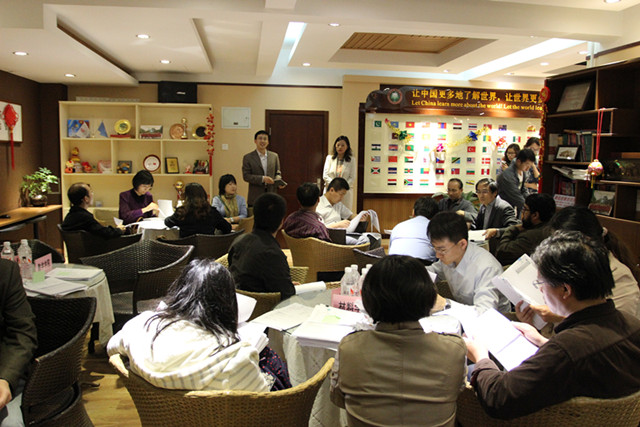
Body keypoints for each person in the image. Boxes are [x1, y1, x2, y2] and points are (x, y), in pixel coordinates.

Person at [465, 231, 640, 420]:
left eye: (541, 282)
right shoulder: (632, 324)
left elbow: (498, 397)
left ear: (565, 289)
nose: (541, 289)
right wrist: (542, 341)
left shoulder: (566, 350)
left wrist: (480, 356)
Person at [330, 255, 467, 426]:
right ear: (429, 299)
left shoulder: (349, 348)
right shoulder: (453, 349)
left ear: (367, 299)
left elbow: (338, 399)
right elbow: (458, 393)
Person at [107, 259, 277, 392]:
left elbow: (112, 349)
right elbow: (262, 399)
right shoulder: (236, 359)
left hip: (159, 417)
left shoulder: (142, 326)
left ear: (181, 292)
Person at [518, 206, 640, 323]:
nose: (555, 250)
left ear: (585, 244)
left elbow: (614, 329)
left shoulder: (620, 277)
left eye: (562, 245)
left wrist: (561, 316)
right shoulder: (570, 268)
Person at [427, 212, 509, 313]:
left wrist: (445, 304)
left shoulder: (486, 268)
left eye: (442, 250)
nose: (437, 255)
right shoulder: (451, 257)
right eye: (434, 248)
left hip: (496, 319)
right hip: (464, 315)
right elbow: (433, 271)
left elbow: (485, 312)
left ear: (462, 244)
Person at [229, 193, 297, 300]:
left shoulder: (239, 241)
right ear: (281, 222)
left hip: (238, 302)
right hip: (265, 306)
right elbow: (287, 296)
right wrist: (288, 286)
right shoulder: (273, 254)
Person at [0, 259, 37, 427]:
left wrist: (5, 378)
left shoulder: (5, 272)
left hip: (4, 370)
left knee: (10, 424)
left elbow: (22, 332)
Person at [495, 193, 555, 266]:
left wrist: (513, 229)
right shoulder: (551, 228)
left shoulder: (530, 236)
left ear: (535, 215)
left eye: (525, 209)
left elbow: (502, 252)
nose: (522, 213)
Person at [164, 182, 231, 238]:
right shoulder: (212, 212)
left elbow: (167, 222)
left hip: (186, 249)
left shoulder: (182, 212)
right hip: (208, 248)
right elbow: (227, 228)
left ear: (186, 197)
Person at [388, 196, 439, 264]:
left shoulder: (398, 226)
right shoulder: (436, 228)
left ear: (413, 212)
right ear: (436, 215)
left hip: (393, 264)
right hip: (423, 266)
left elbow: (390, 252)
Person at [242, 130, 284, 206]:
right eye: (260, 138)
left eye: (265, 139)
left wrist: (278, 181)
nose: (262, 141)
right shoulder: (248, 157)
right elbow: (246, 176)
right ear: (255, 141)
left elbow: (277, 172)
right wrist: (263, 179)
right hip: (255, 196)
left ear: (268, 142)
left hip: (271, 195)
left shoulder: (274, 156)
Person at [471, 178, 518, 246]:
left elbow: (513, 228)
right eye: (478, 192)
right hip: (483, 243)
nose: (481, 195)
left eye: (485, 192)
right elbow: (477, 224)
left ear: (495, 193)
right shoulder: (483, 206)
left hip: (497, 245)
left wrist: (496, 231)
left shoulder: (504, 207)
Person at [497, 148, 536, 214]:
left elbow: (523, 190)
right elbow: (515, 195)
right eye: (527, 164)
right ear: (518, 161)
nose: (528, 168)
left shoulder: (522, 171)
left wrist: (531, 201)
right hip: (503, 209)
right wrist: (530, 209)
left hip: (514, 208)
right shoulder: (508, 175)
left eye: (530, 165)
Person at [322, 136, 356, 210]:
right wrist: (335, 186)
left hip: (345, 192)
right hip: (331, 190)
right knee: (328, 212)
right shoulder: (329, 158)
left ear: (347, 147)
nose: (340, 147)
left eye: (343, 145)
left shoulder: (351, 160)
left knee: (344, 213)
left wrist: (342, 187)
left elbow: (352, 177)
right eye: (338, 145)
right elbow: (325, 175)